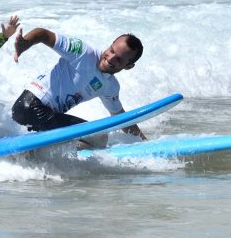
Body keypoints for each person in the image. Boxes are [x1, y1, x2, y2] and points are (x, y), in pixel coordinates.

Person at [11, 28, 146, 148]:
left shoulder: (111, 86)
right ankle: (39, 153)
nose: (110, 58)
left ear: (128, 66)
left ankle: (39, 151)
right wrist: (24, 44)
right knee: (99, 137)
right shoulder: (82, 52)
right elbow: (43, 34)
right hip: (29, 105)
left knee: (91, 139)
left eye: (119, 59)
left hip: (43, 115)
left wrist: (144, 143)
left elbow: (119, 117)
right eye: (111, 51)